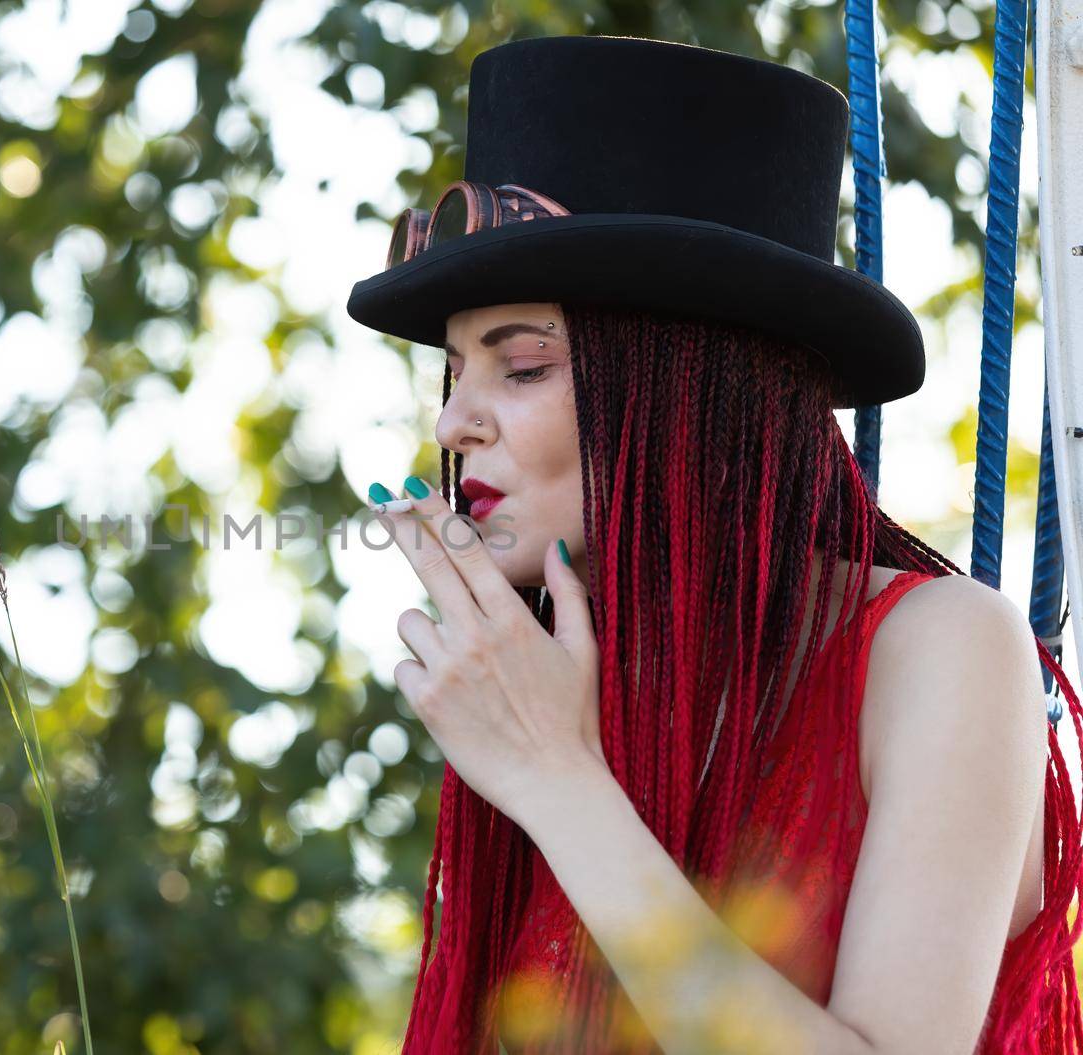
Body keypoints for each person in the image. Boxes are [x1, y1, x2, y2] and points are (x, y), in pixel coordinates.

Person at [346, 34, 1083, 1054]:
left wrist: (557, 779)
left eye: (517, 367)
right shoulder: (567, 680)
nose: (452, 423)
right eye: (455, 370)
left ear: (681, 385)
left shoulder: (940, 647)